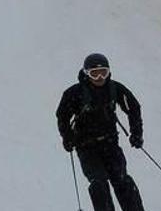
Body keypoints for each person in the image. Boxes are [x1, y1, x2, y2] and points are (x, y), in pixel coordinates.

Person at [56, 53, 146, 211]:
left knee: (121, 179)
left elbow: (134, 108)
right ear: (86, 73)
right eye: (94, 73)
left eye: (103, 72)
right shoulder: (74, 93)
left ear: (109, 72)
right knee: (98, 183)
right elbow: (62, 115)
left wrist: (136, 134)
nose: (99, 77)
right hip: (86, 147)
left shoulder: (115, 88)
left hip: (110, 143)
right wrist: (67, 137)